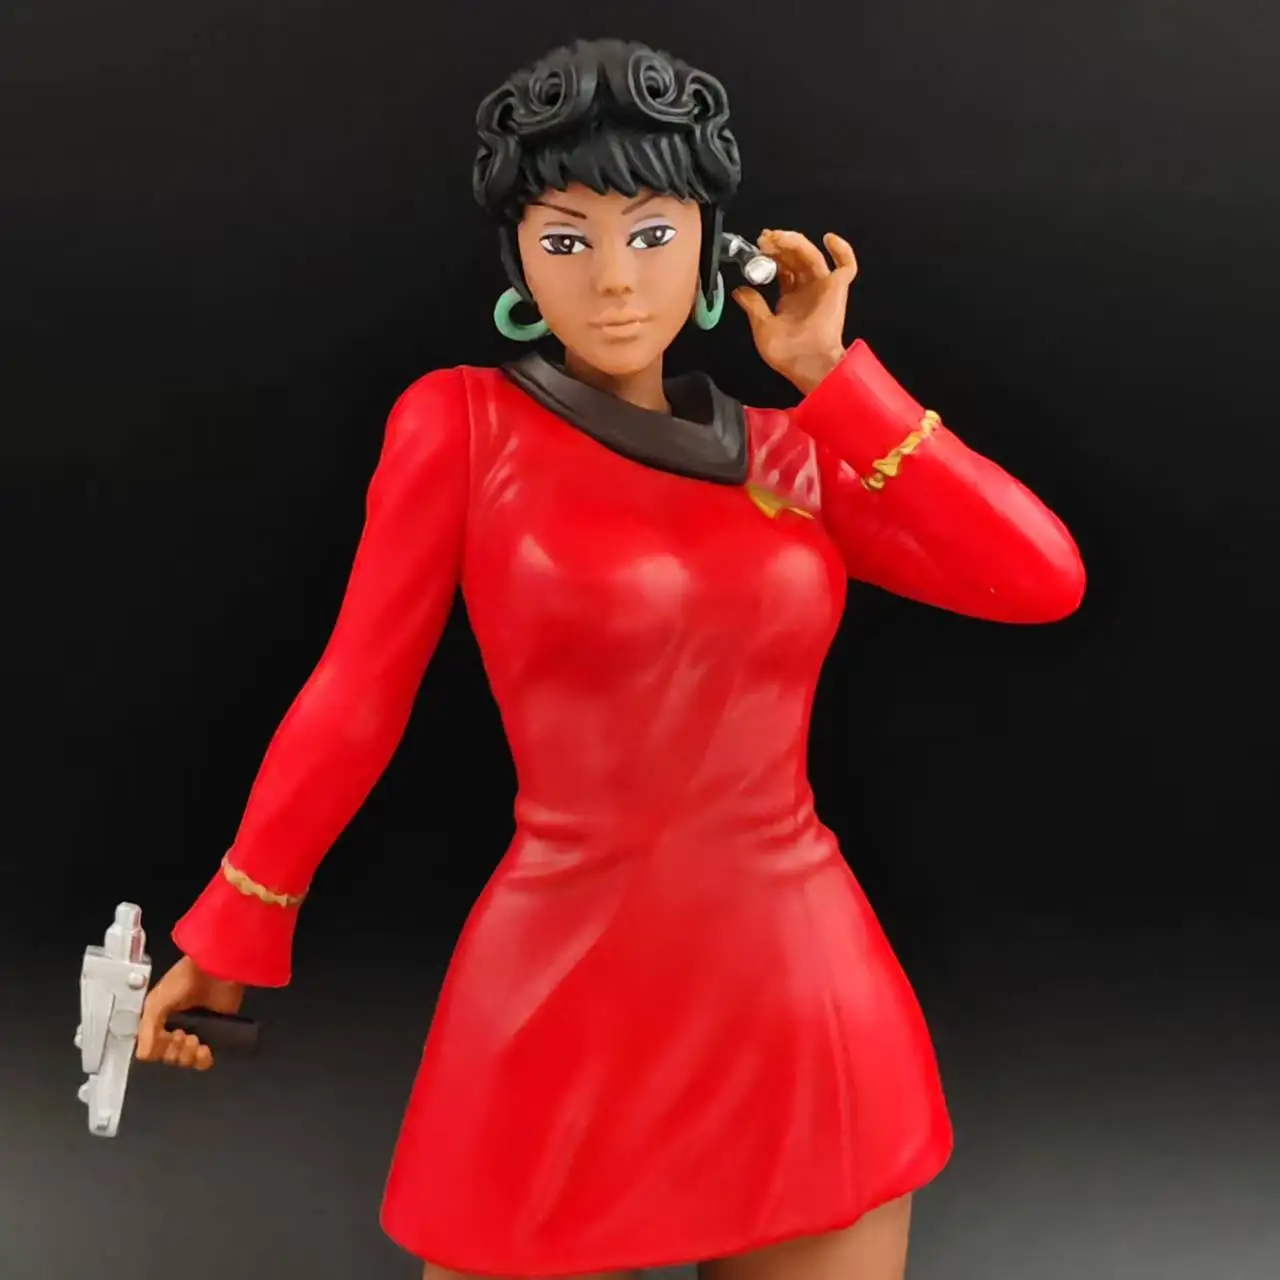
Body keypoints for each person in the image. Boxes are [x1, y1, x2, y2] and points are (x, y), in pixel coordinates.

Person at [135, 36, 1086, 1280]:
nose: (614, 279)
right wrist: (236, 920)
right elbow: (357, 689)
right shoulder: (462, 426)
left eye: (650, 231)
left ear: (713, 245)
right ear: (518, 259)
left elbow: (1039, 576)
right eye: (566, 238)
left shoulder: (791, 454)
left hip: (798, 990)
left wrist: (833, 379)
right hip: (559, 984)